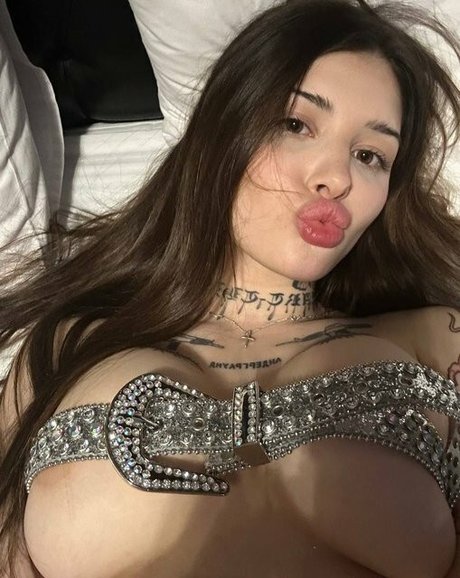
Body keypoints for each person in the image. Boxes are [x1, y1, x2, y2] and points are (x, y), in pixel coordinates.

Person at [1, 0, 460, 576]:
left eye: (370, 155)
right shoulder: (65, 343)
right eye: (295, 125)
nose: (337, 177)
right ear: (223, 132)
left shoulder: (437, 340)